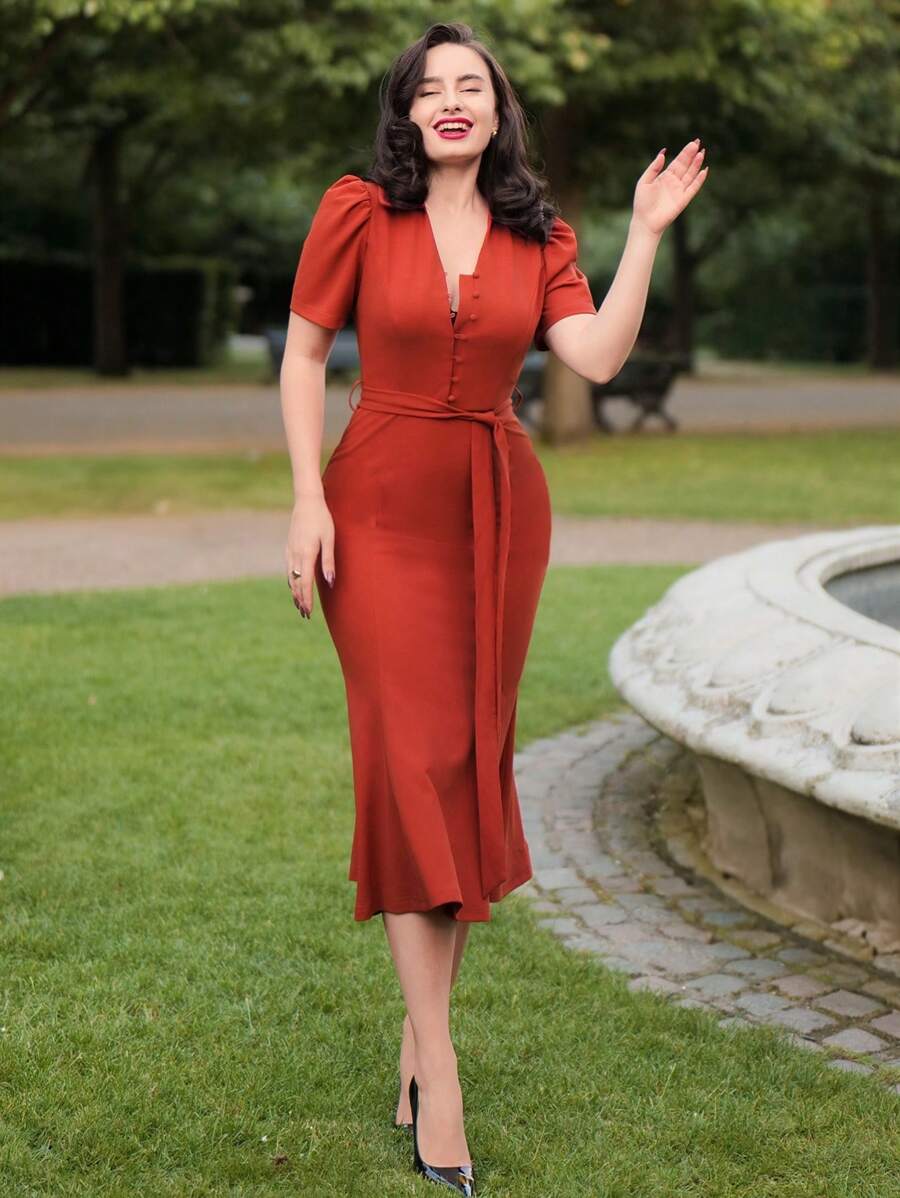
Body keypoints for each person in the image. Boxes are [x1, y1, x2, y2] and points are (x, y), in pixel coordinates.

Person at [279, 20, 707, 1195]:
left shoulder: (542, 234)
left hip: (497, 513)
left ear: (497, 111)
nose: (454, 102)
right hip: (374, 507)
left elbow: (599, 356)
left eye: (474, 86)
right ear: (409, 111)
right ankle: (442, 1067)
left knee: (464, 767)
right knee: (408, 761)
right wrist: (306, 500)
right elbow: (307, 354)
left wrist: (646, 239)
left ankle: (416, 1051)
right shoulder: (359, 210)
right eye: (434, 88)